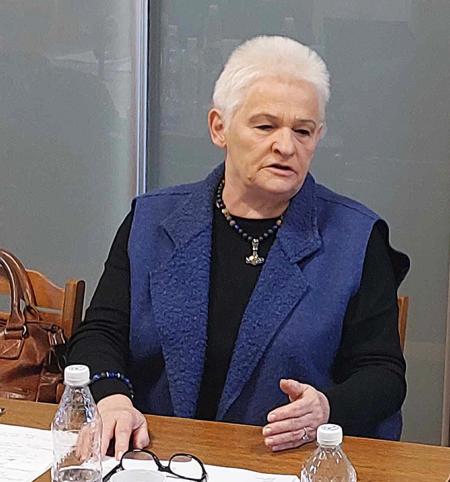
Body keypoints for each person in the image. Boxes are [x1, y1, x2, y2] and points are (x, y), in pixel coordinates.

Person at [68, 35, 409, 459]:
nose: (286, 146)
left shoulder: (355, 237)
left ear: (318, 136)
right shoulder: (152, 220)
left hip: (285, 460)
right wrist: (112, 398)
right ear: (219, 127)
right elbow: (100, 333)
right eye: (265, 126)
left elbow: (382, 374)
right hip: (154, 453)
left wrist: (326, 408)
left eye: (303, 131)